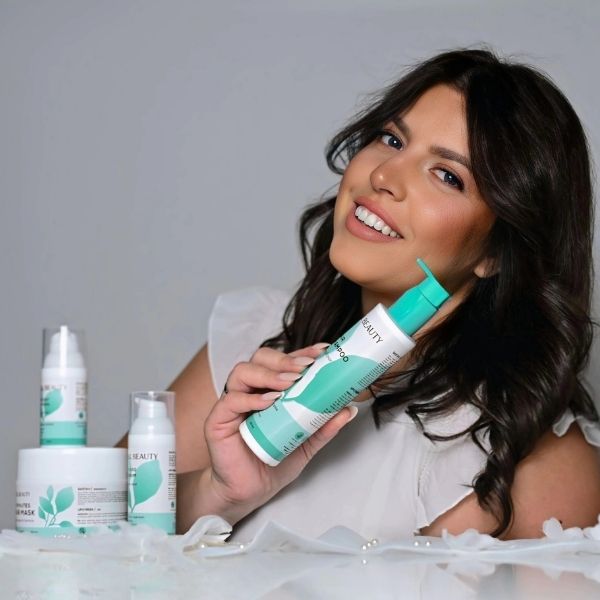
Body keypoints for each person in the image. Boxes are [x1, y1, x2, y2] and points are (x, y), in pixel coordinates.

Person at [120, 47, 600, 541]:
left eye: (447, 175)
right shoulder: (254, 345)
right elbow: (87, 531)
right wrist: (219, 492)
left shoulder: (535, 462)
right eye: (391, 139)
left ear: (497, 252)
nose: (383, 176)